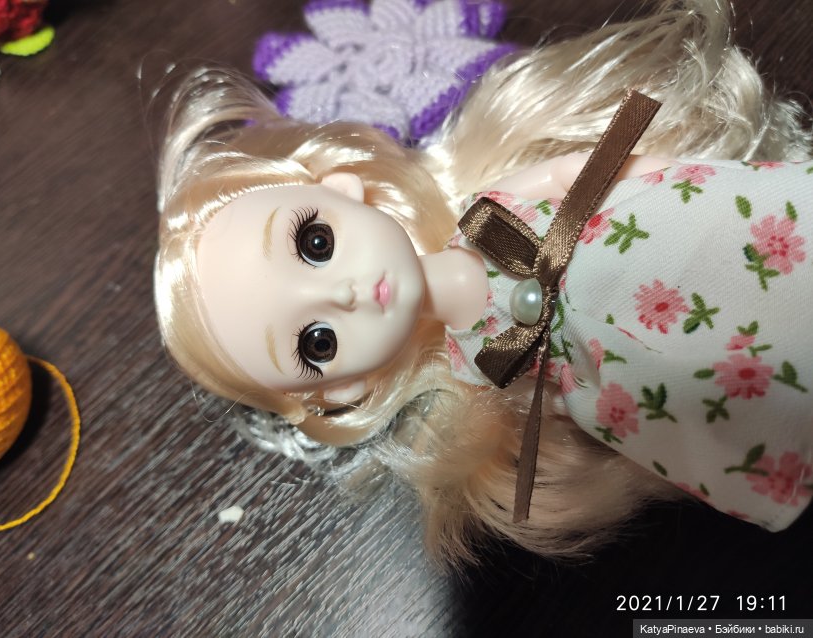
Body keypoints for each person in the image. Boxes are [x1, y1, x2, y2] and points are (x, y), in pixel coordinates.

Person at [154, 0, 812, 564]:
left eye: (314, 243)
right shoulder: (480, 365)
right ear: (344, 388)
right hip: (665, 376)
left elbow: (577, 176)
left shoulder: (486, 218)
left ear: (343, 189)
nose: (342, 293)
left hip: (676, 236)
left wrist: (674, 182)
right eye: (317, 341)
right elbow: (551, 404)